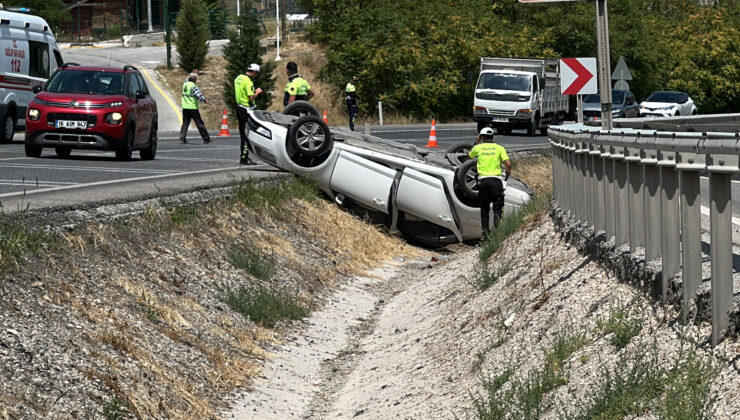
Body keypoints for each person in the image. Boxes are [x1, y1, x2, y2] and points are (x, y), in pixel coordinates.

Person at [468, 126, 511, 237]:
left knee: (484, 210)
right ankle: (498, 234)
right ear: (493, 137)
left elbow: (469, 156)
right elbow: (508, 164)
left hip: (484, 182)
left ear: (482, 137)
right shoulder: (499, 148)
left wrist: (476, 142)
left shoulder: (479, 148)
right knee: (498, 209)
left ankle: (486, 235)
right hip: (496, 182)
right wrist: (508, 171)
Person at [234, 63, 263, 165]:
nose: (256, 76)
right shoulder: (248, 81)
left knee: (242, 134)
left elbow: (242, 91)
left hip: (239, 107)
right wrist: (257, 92)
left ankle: (244, 156)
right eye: (257, 74)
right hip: (246, 109)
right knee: (246, 134)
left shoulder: (238, 78)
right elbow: (251, 98)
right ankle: (244, 157)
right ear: (254, 72)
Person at [179, 72, 211, 144]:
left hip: (185, 106)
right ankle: (206, 138)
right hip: (192, 107)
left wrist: (192, 73)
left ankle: (182, 138)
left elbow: (187, 79)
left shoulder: (185, 84)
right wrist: (205, 101)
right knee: (199, 123)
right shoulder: (193, 86)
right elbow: (198, 95)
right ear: (195, 79)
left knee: (185, 123)